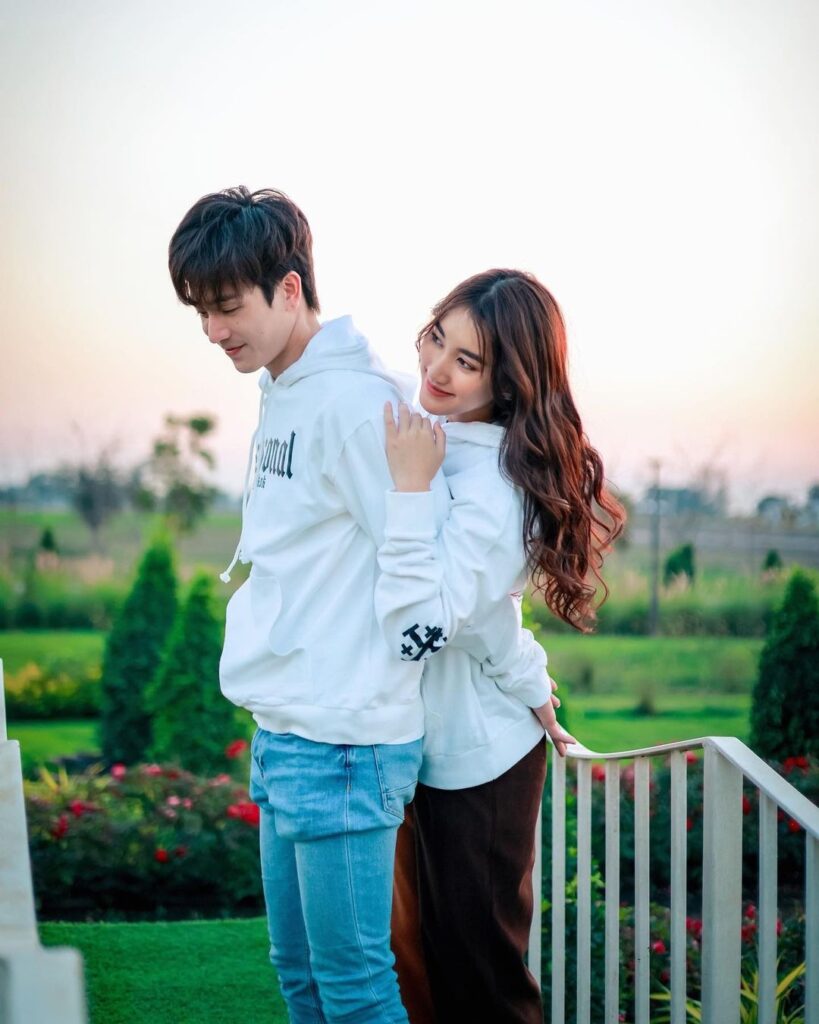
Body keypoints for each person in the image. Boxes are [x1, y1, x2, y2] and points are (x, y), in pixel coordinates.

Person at [167, 186, 455, 1024]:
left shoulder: (359, 407)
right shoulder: (286, 390)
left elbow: (424, 568)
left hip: (345, 740)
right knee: (298, 976)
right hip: (289, 730)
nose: (213, 331)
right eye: (202, 311)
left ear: (289, 289)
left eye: (227, 307)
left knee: (355, 987)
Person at [375, 269, 625, 1023]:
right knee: (420, 962)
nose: (436, 368)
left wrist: (409, 491)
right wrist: (527, 672)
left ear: (510, 381)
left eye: (467, 362)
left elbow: (424, 628)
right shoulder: (438, 437)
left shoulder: (496, 484)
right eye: (436, 338)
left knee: (481, 977)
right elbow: (485, 620)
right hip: (423, 743)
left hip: (479, 758)